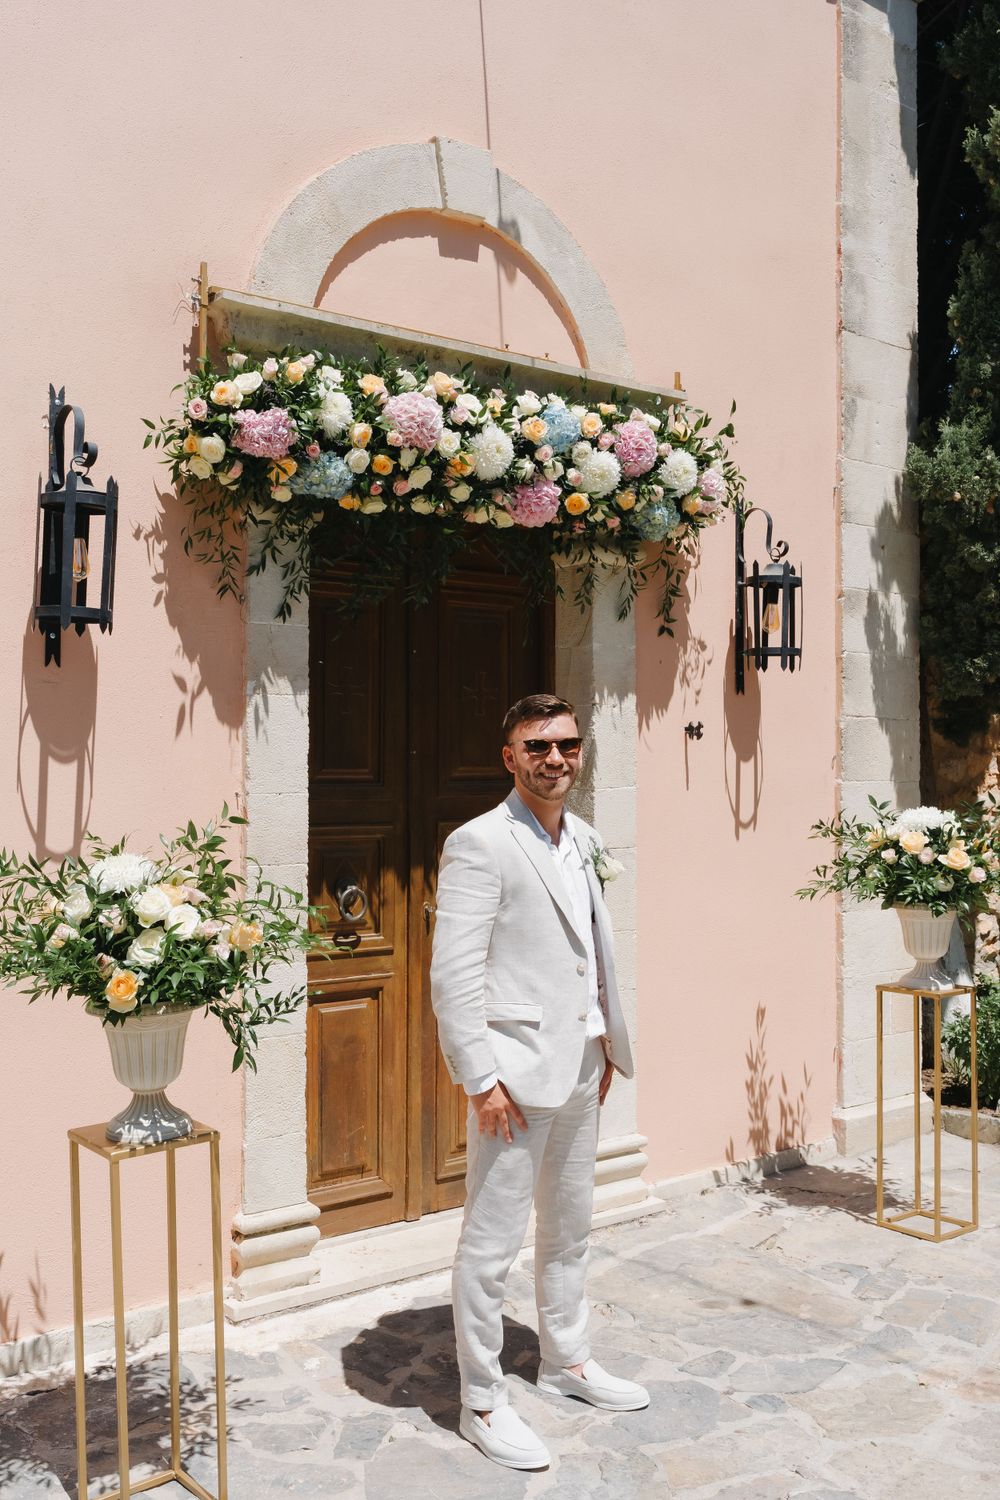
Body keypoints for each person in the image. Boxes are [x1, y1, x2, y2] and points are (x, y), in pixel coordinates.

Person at [430, 692, 649, 1471]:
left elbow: (591, 949)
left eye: (567, 744)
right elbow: (454, 976)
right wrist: (480, 1079)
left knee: (569, 1227)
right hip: (513, 1078)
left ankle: (565, 1360)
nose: (555, 758)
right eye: (538, 746)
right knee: (490, 1247)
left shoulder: (585, 837)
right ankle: (483, 1402)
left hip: (583, 1062)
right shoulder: (479, 843)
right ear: (510, 757)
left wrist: (606, 1041)